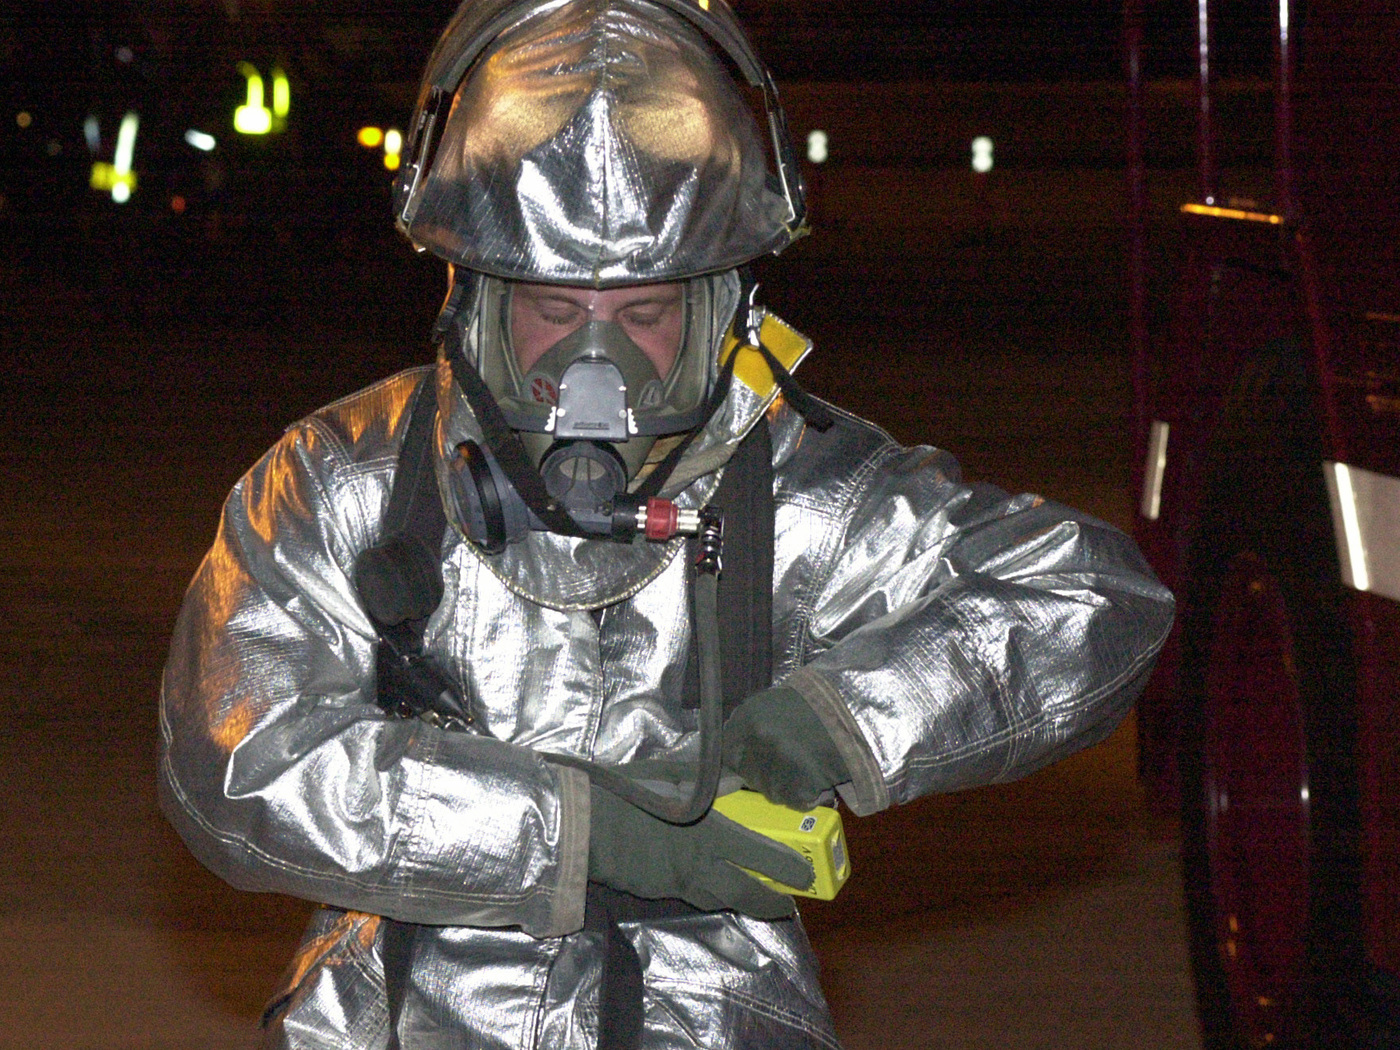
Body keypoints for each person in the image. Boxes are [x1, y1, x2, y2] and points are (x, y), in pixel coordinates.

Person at [158, 1, 1175, 1047]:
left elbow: (1092, 601)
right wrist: (587, 833)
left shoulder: (792, 483)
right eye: (553, 309)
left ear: (717, 305)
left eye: (644, 314)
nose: (592, 364)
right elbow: (237, 761)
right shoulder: (343, 481)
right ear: (477, 294)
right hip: (397, 1012)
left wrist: (836, 723)